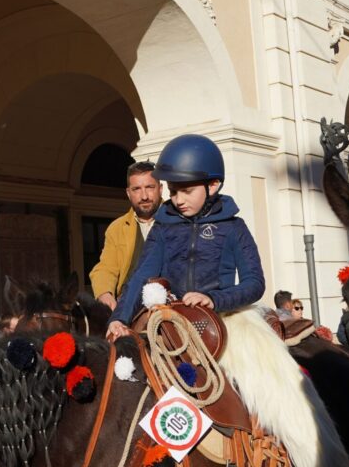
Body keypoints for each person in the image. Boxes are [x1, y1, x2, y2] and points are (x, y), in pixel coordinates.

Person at [107, 134, 265, 338]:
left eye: (187, 191)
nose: (178, 200)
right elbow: (140, 277)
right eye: (173, 192)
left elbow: (254, 283)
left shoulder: (234, 227)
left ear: (213, 185)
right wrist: (119, 318)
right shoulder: (162, 227)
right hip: (169, 318)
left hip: (224, 317)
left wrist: (213, 299)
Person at [89, 161, 163, 311]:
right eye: (136, 189)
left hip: (170, 301)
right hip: (129, 303)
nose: (144, 196)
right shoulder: (116, 228)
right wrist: (105, 294)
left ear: (160, 189)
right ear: (128, 193)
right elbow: (106, 267)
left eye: (149, 187)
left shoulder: (177, 220)